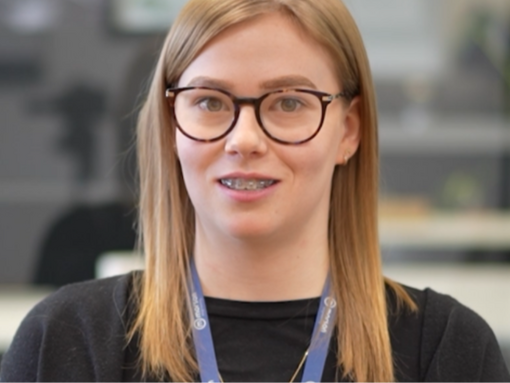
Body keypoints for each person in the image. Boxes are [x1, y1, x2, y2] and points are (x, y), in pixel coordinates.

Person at [1, 0, 509, 382]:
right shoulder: (67, 343)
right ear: (170, 123)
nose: (244, 140)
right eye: (210, 102)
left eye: (289, 103)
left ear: (348, 130)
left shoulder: (447, 351)